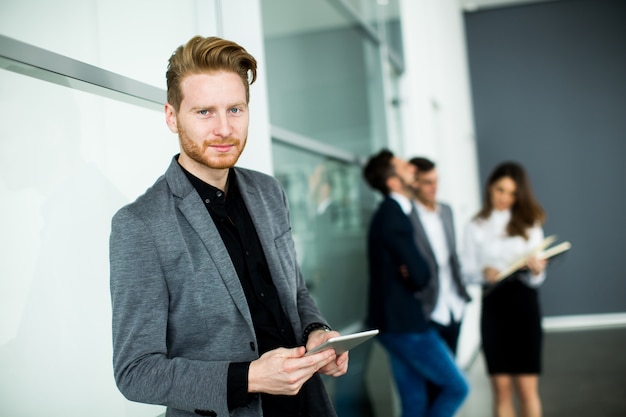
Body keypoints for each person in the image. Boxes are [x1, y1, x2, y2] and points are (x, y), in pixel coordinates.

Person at [109, 35, 348, 417]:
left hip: (308, 406)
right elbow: (136, 372)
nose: (224, 128)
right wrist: (249, 377)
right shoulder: (140, 225)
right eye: (204, 112)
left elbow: (296, 293)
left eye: (235, 109)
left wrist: (316, 333)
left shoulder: (269, 192)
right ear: (172, 116)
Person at [363, 149, 469, 417]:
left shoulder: (393, 212)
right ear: (393, 182)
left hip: (395, 324)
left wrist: (411, 269)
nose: (412, 169)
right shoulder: (394, 216)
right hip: (405, 325)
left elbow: (414, 270)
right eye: (404, 168)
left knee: (414, 402)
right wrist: (412, 270)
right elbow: (421, 274)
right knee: (457, 388)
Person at [461, 161, 547, 417]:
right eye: (500, 190)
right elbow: (466, 273)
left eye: (511, 193)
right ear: (490, 187)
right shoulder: (475, 225)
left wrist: (536, 270)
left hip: (524, 306)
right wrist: (483, 273)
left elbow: (537, 280)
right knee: (501, 389)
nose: (504, 198)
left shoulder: (530, 223)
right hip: (494, 307)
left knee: (527, 389)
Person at [409, 157, 471, 355]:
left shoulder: (446, 211)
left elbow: (454, 256)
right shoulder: (407, 216)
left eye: (436, 181)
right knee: (438, 379)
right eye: (428, 182)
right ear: (415, 183)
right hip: (429, 308)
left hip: (455, 303)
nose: (434, 187)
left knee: (452, 363)